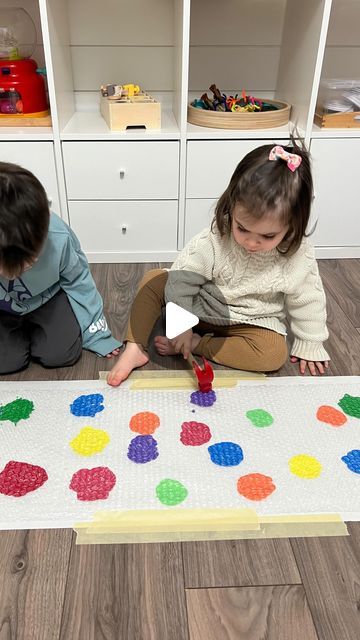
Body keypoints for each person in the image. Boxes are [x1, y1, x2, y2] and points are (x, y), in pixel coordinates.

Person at [107, 141, 330, 387]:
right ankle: (134, 348)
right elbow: (183, 277)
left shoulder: (298, 254)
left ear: (293, 226)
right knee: (154, 280)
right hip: (201, 308)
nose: (251, 242)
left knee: (273, 353)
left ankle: (197, 344)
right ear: (231, 207)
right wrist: (182, 324)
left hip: (250, 323)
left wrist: (310, 341)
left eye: (268, 236)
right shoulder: (216, 237)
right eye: (242, 228)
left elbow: (308, 298)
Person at [0, 162, 121, 374]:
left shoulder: (58, 238)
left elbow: (79, 281)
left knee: (61, 354)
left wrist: (97, 334)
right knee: (7, 363)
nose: (25, 268)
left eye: (33, 259)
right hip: (4, 309)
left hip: (48, 299)